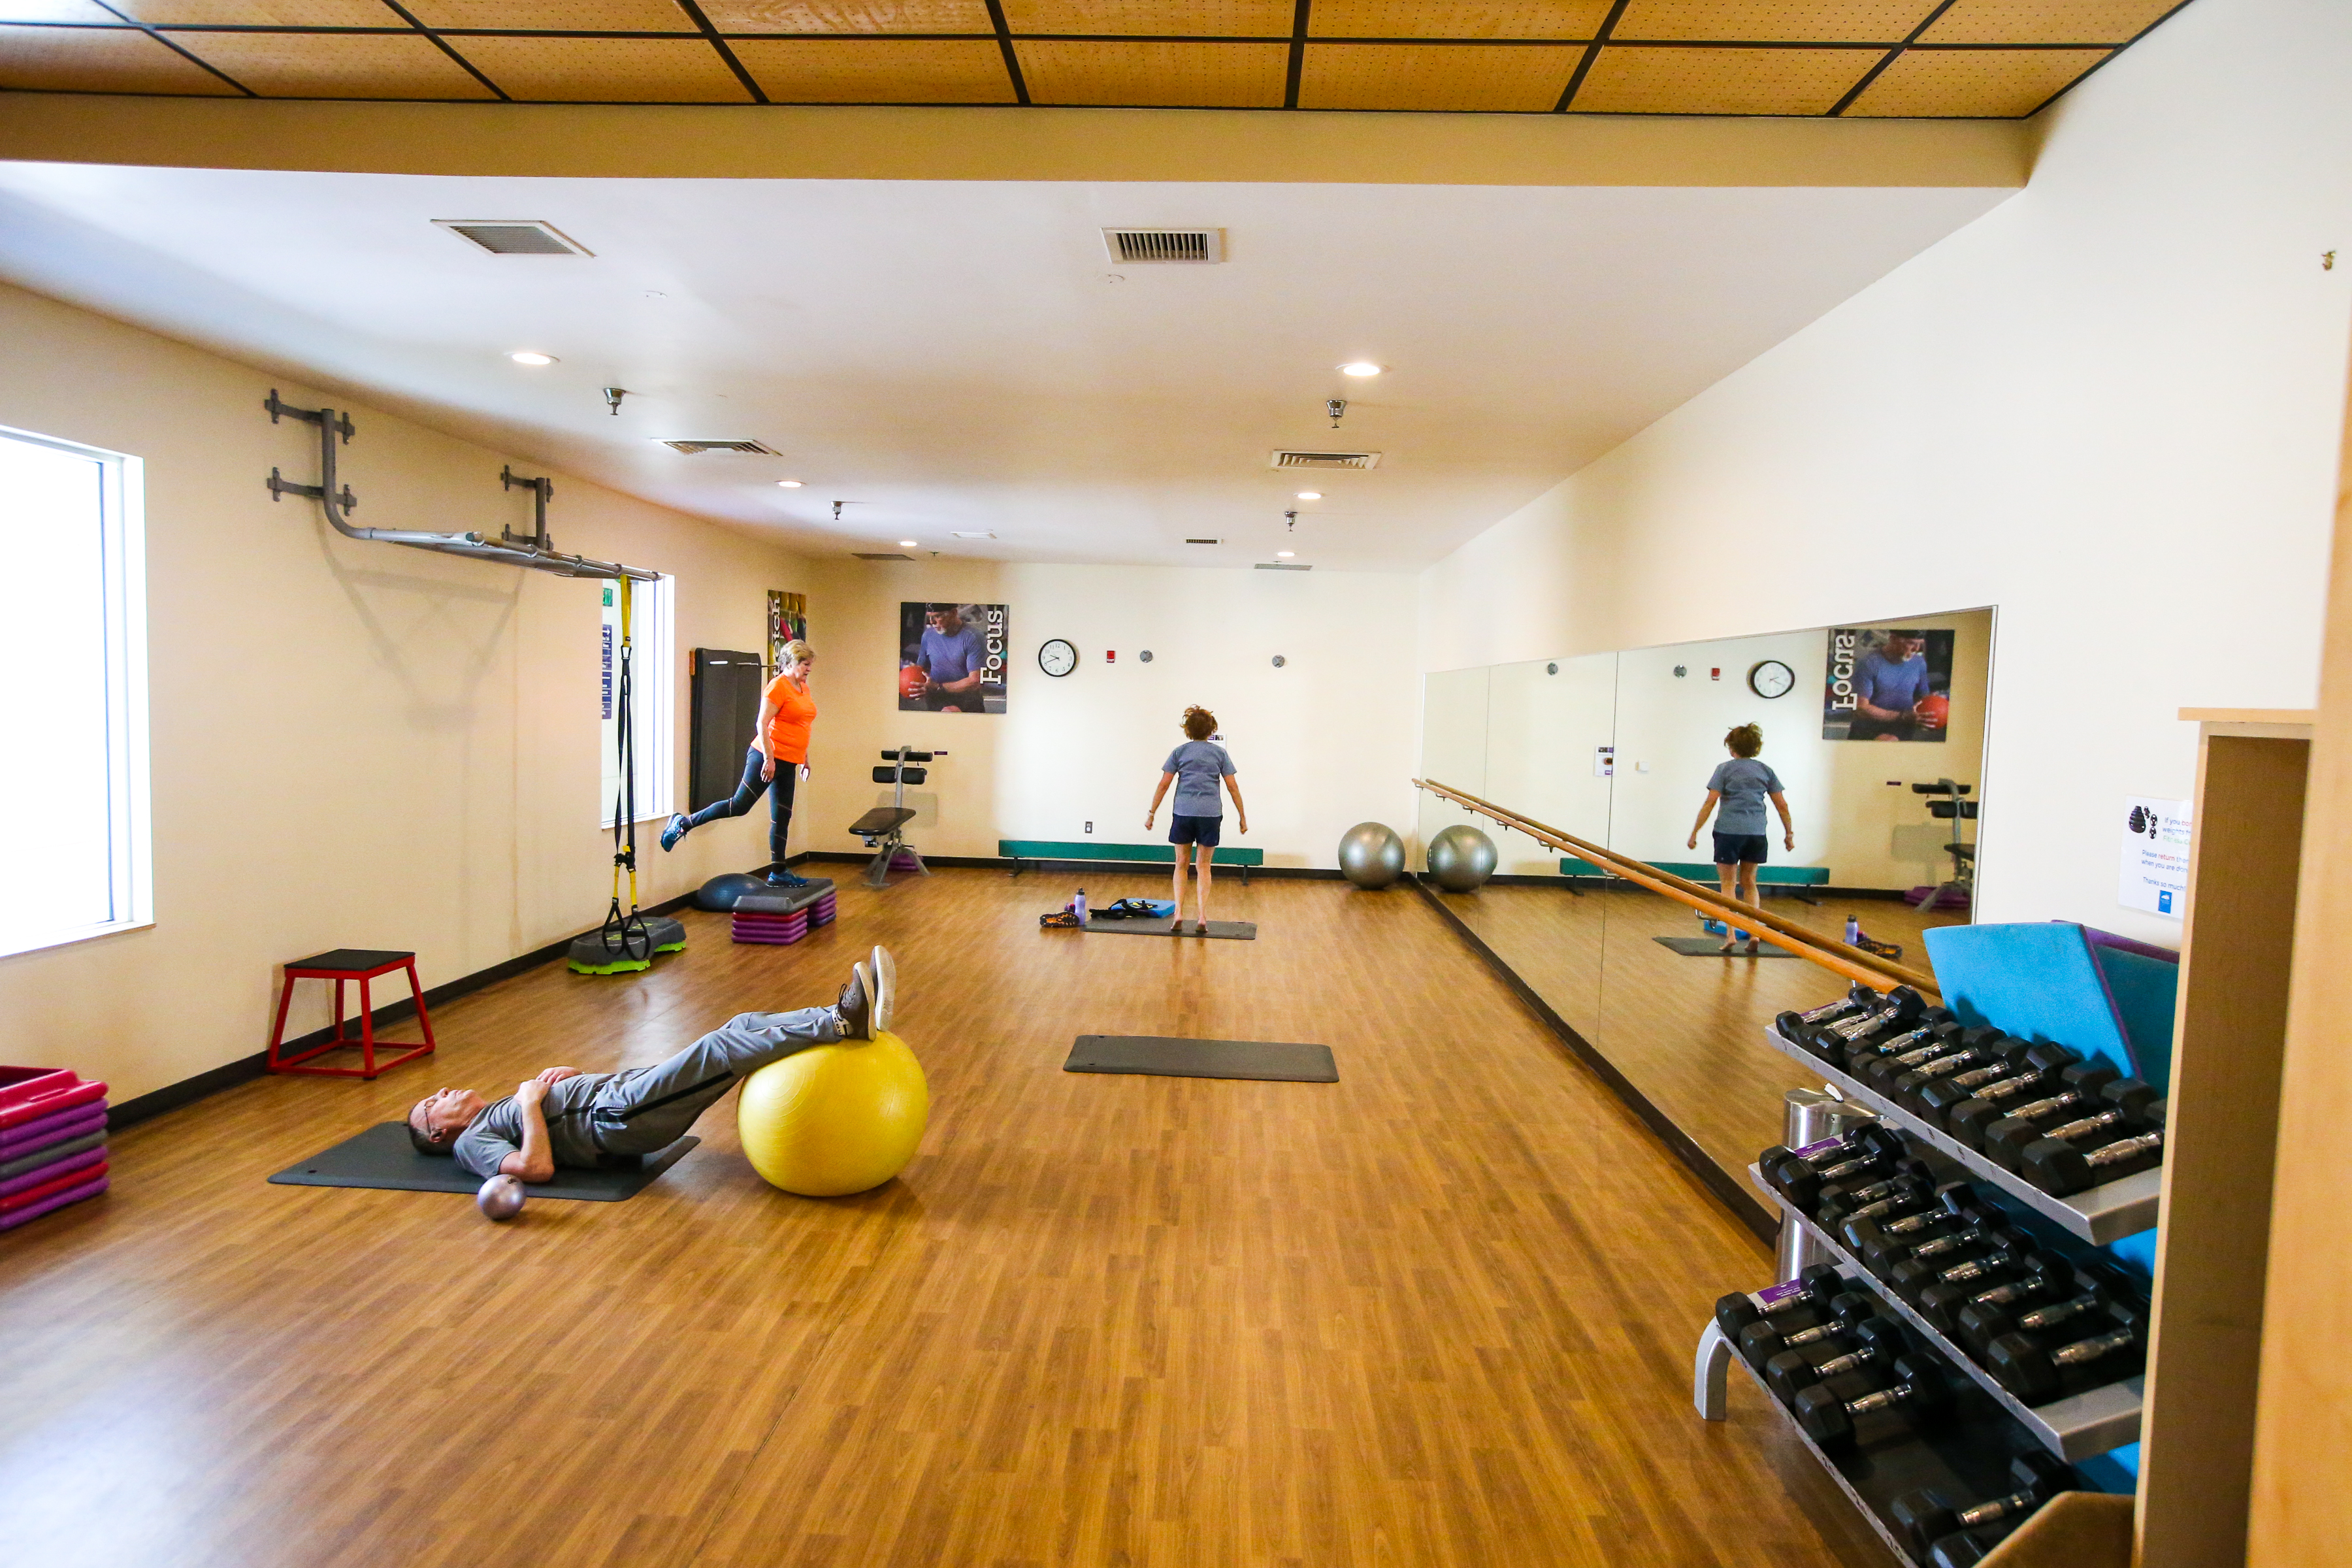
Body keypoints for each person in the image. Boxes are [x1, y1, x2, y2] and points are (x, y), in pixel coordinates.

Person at [408, 949, 895, 1181]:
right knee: (717, 1052)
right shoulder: (471, 1144)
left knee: (739, 1024)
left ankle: (848, 1011)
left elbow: (547, 1124)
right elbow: (533, 1168)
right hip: (617, 1119)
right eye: (434, 1103)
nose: (443, 1091)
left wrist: (559, 1083)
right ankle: (840, 1024)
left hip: (618, 1098)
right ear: (437, 1134)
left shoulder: (492, 1114)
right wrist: (532, 1101)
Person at [661, 638, 817, 886]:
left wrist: (804, 758)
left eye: (810, 664)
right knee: (739, 805)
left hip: (790, 761)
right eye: (805, 663)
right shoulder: (777, 687)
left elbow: (801, 725)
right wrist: (769, 758)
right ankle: (682, 823)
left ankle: (778, 871)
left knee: (782, 817)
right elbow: (761, 724)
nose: (809, 668)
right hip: (766, 757)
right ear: (790, 662)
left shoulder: (803, 688)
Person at [1685, 723, 1795, 955]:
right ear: (1756, 747)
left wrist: (1695, 832)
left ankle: (1732, 935)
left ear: (1732, 747)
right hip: (1756, 833)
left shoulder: (1724, 769)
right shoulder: (1765, 770)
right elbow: (1781, 805)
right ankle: (1754, 932)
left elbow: (1710, 802)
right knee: (1750, 883)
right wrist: (1789, 833)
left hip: (1728, 832)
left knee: (1728, 884)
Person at [1144, 706, 1249, 935]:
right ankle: (1202, 916)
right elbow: (1233, 787)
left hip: (1184, 813)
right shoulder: (1219, 754)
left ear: (1188, 730)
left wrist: (1152, 812)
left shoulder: (1179, 752)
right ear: (1211, 730)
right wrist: (1242, 816)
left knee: (1181, 864)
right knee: (1204, 866)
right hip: (1210, 815)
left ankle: (1179, 912)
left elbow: (1164, 784)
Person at [1848, 629, 1937, 742]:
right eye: (1912, 643)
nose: (1917, 649)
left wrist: (1935, 702)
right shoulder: (1868, 663)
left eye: (1920, 644)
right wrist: (1903, 716)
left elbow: (1923, 698)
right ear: (1893, 639)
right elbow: (1861, 708)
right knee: (1889, 741)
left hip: (1903, 727)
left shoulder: (1919, 663)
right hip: (1870, 728)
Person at [904, 604, 990, 712]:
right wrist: (912, 680)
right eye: (930, 617)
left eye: (938, 616)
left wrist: (937, 687)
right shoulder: (928, 635)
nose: (932, 622)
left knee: (949, 713)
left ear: (954, 613)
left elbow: (975, 682)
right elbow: (921, 669)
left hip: (966, 703)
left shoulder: (973, 637)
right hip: (936, 702)